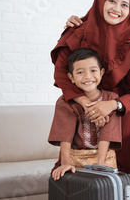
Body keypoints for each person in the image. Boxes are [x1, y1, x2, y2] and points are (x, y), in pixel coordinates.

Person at [51, 0, 130, 179]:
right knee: (73, 174)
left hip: (120, 114)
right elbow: (61, 73)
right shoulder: (77, 31)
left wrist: (110, 105)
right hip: (79, 107)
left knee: (123, 178)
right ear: (101, 1)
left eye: (124, 5)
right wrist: (88, 104)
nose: (117, 9)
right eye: (112, 1)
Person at [49, 48, 122, 180]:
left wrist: (101, 161)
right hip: (75, 159)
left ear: (102, 72)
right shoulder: (65, 102)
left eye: (93, 70)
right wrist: (65, 163)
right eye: (80, 72)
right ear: (71, 78)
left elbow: (108, 131)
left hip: (104, 157)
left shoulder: (111, 99)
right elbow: (65, 133)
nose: (88, 77)